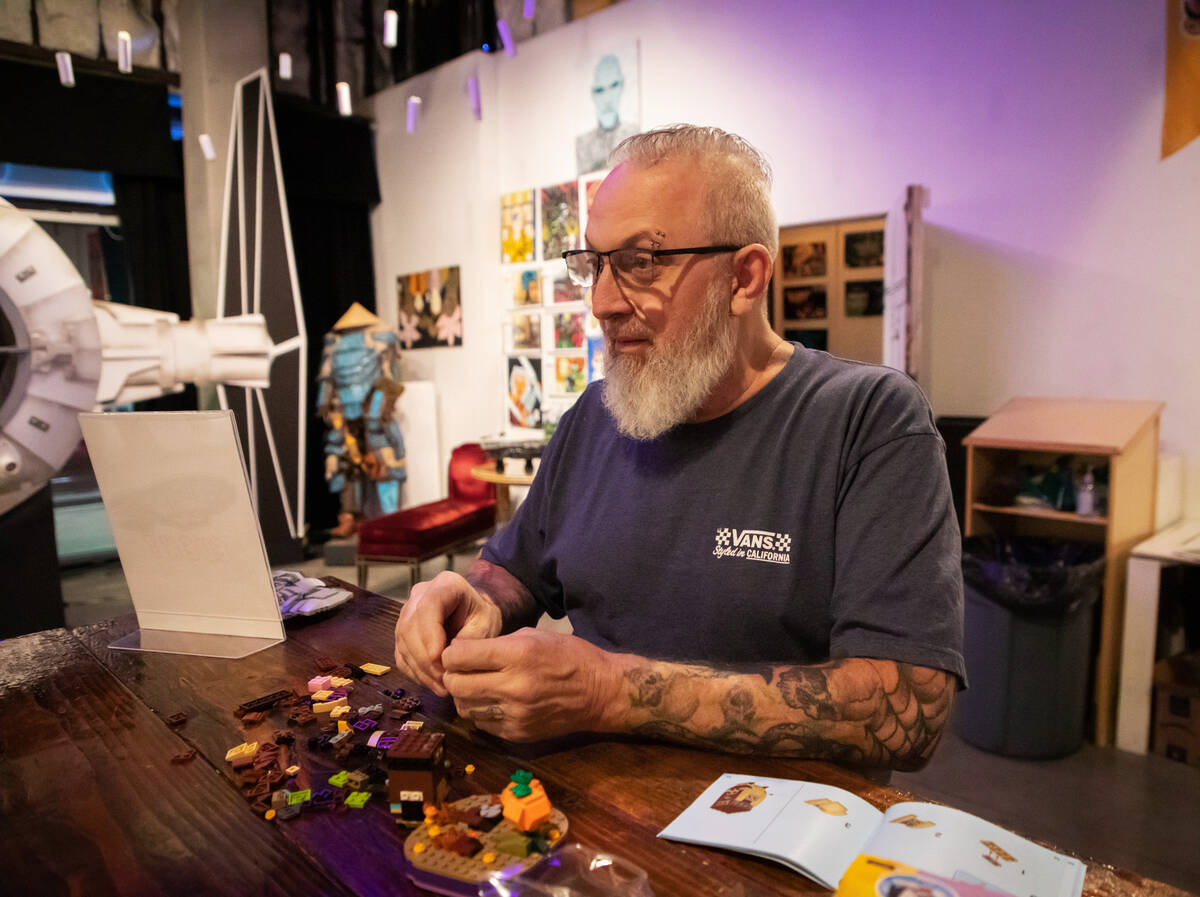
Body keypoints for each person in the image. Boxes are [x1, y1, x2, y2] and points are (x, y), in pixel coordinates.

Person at [395, 125, 965, 771]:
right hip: (589, 829)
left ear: (744, 278)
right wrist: (471, 597)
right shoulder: (593, 416)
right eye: (595, 264)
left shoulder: (870, 421)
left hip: (777, 843)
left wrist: (611, 691)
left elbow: (910, 710)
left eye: (642, 262)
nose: (603, 303)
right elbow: (515, 568)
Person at [575, 54, 639, 175]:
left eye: (613, 85)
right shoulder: (583, 144)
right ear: (592, 94)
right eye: (600, 90)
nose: (607, 98)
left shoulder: (635, 134)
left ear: (622, 85)